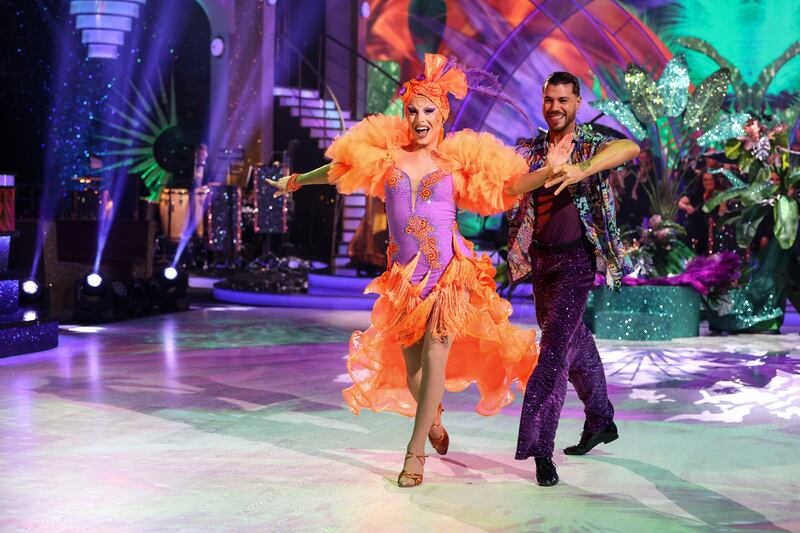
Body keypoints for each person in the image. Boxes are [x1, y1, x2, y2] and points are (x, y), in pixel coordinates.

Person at [271, 54, 542, 487]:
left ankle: (414, 453)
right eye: (413, 110)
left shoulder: (457, 164)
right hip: (403, 280)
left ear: (442, 115)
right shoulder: (389, 157)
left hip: (449, 273)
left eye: (429, 111)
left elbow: (508, 186)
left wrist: (546, 175)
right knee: (416, 374)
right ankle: (432, 418)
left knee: (438, 352)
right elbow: (341, 168)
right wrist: (298, 179)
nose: (419, 118)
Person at [505, 71, 640, 487]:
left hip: (578, 263)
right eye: (549, 100)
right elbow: (509, 187)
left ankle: (540, 450)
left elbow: (629, 146)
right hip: (540, 263)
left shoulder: (591, 145)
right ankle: (600, 418)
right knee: (574, 341)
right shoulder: (529, 149)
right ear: (542, 102)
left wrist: (580, 169)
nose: (556, 107)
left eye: (564, 100)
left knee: (552, 355)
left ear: (578, 102)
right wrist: (548, 171)